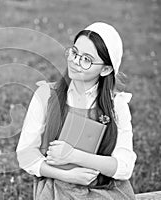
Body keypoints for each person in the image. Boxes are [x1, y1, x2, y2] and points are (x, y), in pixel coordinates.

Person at [16, 22, 137, 199]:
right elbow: (26, 155)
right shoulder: (47, 95)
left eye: (87, 59)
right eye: (74, 52)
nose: (75, 62)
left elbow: (124, 167)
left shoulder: (116, 105)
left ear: (105, 69)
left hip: (104, 189)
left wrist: (73, 155)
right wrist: (67, 175)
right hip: (57, 187)